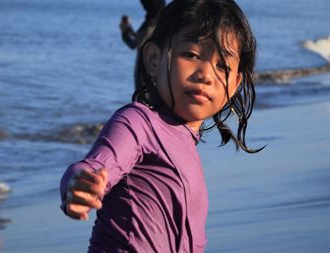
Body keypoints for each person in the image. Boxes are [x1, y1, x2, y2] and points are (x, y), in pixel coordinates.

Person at [60, 0, 261, 252]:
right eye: (191, 54)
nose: (206, 74)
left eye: (222, 65)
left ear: (234, 85)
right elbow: (96, 166)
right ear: (154, 59)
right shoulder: (137, 122)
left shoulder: (186, 143)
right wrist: (79, 185)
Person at [120, 0, 166, 90]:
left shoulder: (150, 25)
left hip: (145, 76)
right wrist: (128, 28)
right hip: (159, 75)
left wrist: (124, 30)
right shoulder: (164, 23)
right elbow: (139, 37)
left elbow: (133, 43)